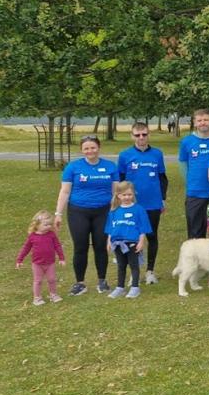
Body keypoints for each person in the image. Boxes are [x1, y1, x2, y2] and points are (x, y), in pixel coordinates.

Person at [55, 135, 118, 296]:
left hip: (103, 212)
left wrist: (115, 212)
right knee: (80, 247)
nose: (90, 151)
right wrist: (58, 213)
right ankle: (80, 283)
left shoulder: (110, 166)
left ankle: (102, 281)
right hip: (78, 211)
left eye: (93, 147)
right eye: (86, 148)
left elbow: (115, 192)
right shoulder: (73, 167)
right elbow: (65, 191)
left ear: (99, 148)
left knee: (101, 247)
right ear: (82, 150)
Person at [118, 122, 168, 284]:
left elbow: (162, 179)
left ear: (149, 135)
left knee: (151, 236)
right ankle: (135, 272)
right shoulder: (125, 155)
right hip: (132, 204)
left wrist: (162, 199)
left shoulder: (157, 154)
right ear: (132, 136)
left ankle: (150, 271)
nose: (141, 138)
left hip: (153, 203)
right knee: (131, 238)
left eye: (144, 134)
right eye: (137, 135)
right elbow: (120, 180)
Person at [178, 109, 209, 239]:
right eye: (199, 120)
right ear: (195, 122)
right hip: (195, 192)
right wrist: (190, 182)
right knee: (195, 232)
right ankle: (196, 258)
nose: (203, 123)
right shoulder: (187, 141)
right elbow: (183, 164)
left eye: (206, 120)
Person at [104, 181, 152, 299]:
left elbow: (143, 228)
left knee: (133, 265)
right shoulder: (114, 211)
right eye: (124, 195)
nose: (127, 197)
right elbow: (111, 228)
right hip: (117, 243)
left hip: (132, 243)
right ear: (118, 195)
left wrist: (141, 241)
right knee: (121, 265)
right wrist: (109, 241)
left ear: (133, 195)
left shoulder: (139, 209)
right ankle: (120, 287)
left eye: (129, 194)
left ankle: (135, 287)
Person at [16, 210, 65, 305]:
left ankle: (53, 295)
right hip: (37, 264)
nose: (49, 226)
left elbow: (58, 246)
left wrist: (61, 258)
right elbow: (25, 248)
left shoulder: (51, 235)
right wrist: (19, 260)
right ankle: (37, 298)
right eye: (46, 224)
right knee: (38, 281)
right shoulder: (32, 237)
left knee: (52, 279)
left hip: (50, 263)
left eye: (50, 224)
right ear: (37, 224)